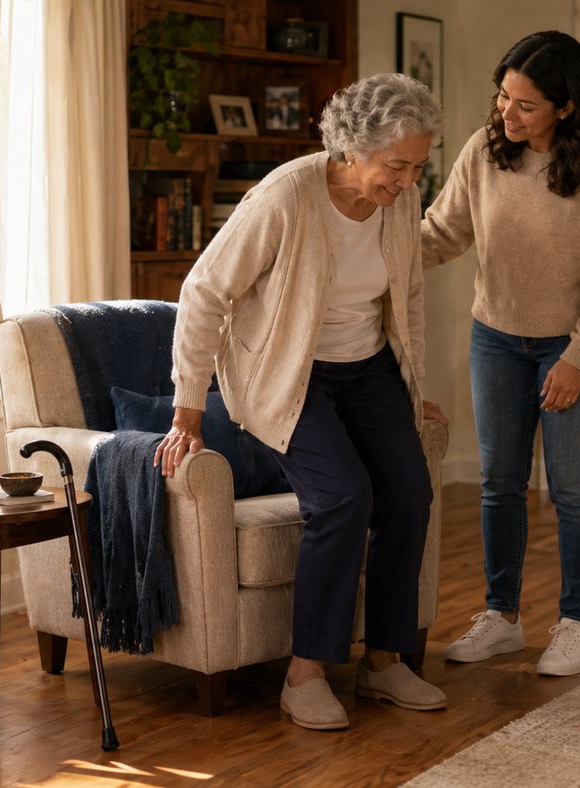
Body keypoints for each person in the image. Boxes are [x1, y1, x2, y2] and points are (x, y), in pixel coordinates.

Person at [155, 73, 447, 731]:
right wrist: (187, 409)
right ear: (351, 147)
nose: (406, 182)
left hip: (367, 367)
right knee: (344, 497)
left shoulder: (398, 200)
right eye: (396, 166)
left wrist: (413, 389)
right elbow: (204, 292)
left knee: (409, 491)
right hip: (290, 372)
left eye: (417, 167)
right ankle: (306, 673)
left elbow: (408, 297)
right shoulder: (286, 197)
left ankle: (383, 661)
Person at [422, 31, 580, 677]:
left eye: (524, 105)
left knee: (571, 488)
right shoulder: (485, 152)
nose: (506, 115)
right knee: (499, 483)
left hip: (576, 344)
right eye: (503, 99)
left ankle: (577, 625)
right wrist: (366, 253)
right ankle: (501, 618)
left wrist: (576, 357)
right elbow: (443, 231)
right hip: (496, 335)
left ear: (566, 106)